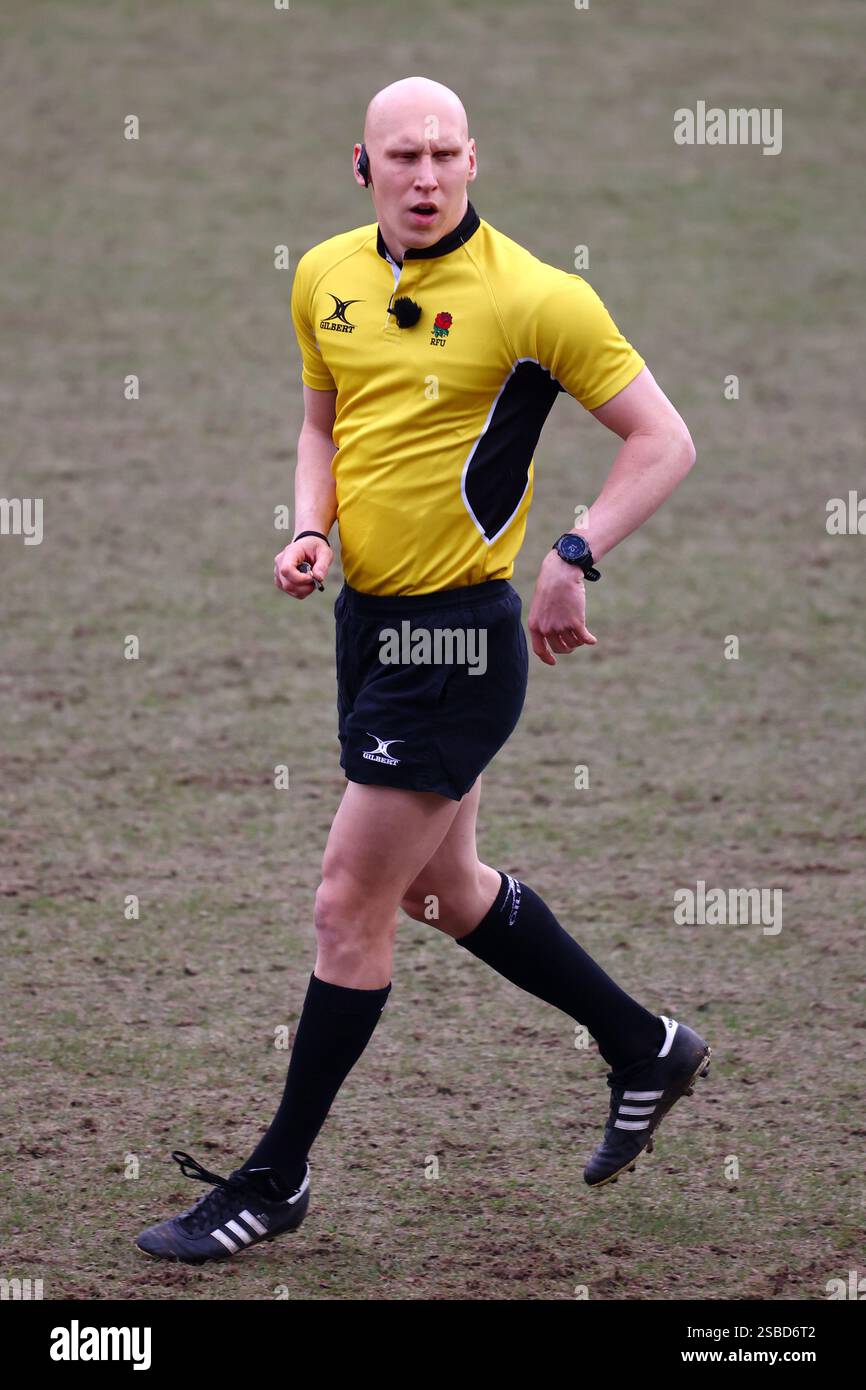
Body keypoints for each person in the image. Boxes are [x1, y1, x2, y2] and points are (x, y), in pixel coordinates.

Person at [136, 75, 710, 1265]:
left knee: (347, 905)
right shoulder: (324, 276)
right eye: (402, 156)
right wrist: (310, 529)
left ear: (472, 161)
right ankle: (642, 1043)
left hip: (457, 640)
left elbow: (663, 440)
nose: (425, 175)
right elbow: (321, 425)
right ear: (362, 166)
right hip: (367, 624)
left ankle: (273, 1177)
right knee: (443, 892)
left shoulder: (537, 298)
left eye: (445, 154)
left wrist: (571, 553)